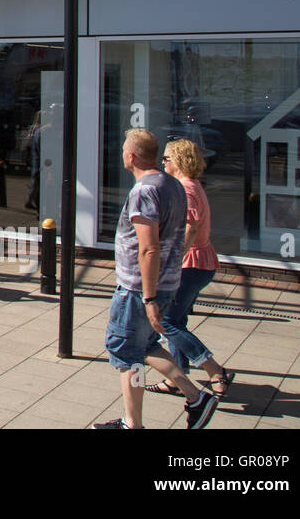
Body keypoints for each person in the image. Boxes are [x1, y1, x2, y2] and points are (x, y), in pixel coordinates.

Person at [93, 129, 218, 429]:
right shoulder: (172, 184)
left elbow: (149, 248)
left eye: (124, 149)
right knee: (144, 346)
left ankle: (137, 421)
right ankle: (192, 399)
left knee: (125, 351)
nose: (122, 153)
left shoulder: (144, 191)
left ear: (131, 155)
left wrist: (148, 298)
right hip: (164, 283)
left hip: (138, 289)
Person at [144, 139, 234, 399]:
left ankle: (214, 369)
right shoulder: (190, 186)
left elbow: (191, 227)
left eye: (167, 158)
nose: (163, 162)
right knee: (177, 319)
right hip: (198, 263)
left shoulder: (187, 189)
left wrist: (173, 259)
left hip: (191, 264)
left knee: (165, 320)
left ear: (180, 160)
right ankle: (177, 376)